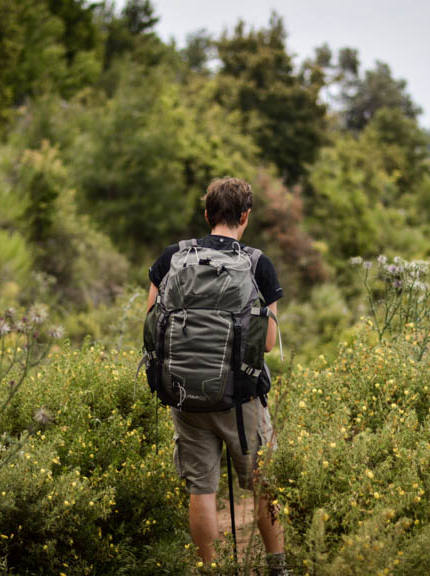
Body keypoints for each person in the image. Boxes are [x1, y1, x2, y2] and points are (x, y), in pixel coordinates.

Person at [146, 177, 290, 575]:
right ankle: (277, 566)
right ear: (245, 216)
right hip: (240, 399)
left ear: (207, 214)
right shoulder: (258, 263)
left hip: (185, 394)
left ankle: (208, 570)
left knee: (202, 490)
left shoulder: (172, 258)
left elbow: (151, 322)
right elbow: (266, 343)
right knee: (263, 485)